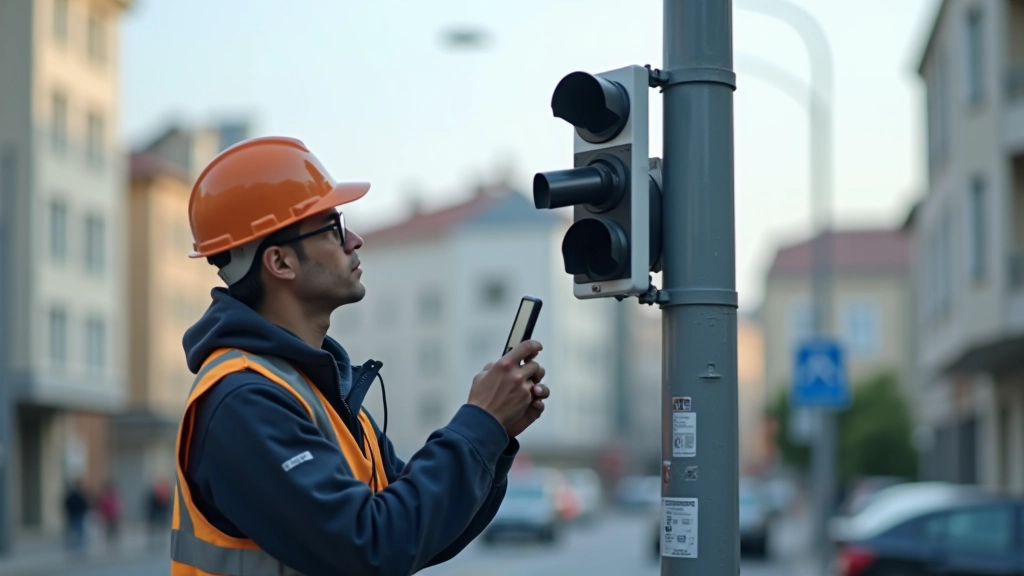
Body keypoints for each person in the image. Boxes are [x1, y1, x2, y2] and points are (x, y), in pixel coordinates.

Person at [171, 136, 551, 576]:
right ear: (280, 263)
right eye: (333, 227)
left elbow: (418, 534)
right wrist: (479, 423)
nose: (355, 239)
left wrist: (495, 435)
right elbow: (371, 548)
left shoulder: (319, 388)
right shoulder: (244, 401)